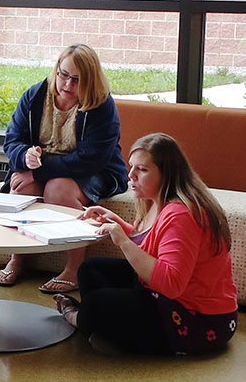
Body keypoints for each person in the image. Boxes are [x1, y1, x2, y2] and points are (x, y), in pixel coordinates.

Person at [53, 132, 238, 355]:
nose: (130, 175)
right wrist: (116, 222)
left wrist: (122, 240)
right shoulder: (158, 201)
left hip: (198, 318)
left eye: (142, 169)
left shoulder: (180, 215)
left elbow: (171, 283)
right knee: (91, 269)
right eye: (131, 167)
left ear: (166, 174)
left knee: (94, 306)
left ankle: (83, 320)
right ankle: (108, 331)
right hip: (169, 298)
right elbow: (153, 243)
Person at [0, 43, 129, 292]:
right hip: (45, 166)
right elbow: (12, 140)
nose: (67, 85)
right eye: (63, 75)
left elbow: (92, 159)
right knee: (23, 189)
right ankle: (18, 258)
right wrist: (24, 157)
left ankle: (74, 268)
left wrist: (38, 170)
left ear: (90, 81)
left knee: (57, 190)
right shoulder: (35, 96)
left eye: (77, 80)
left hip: (94, 171)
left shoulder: (101, 105)